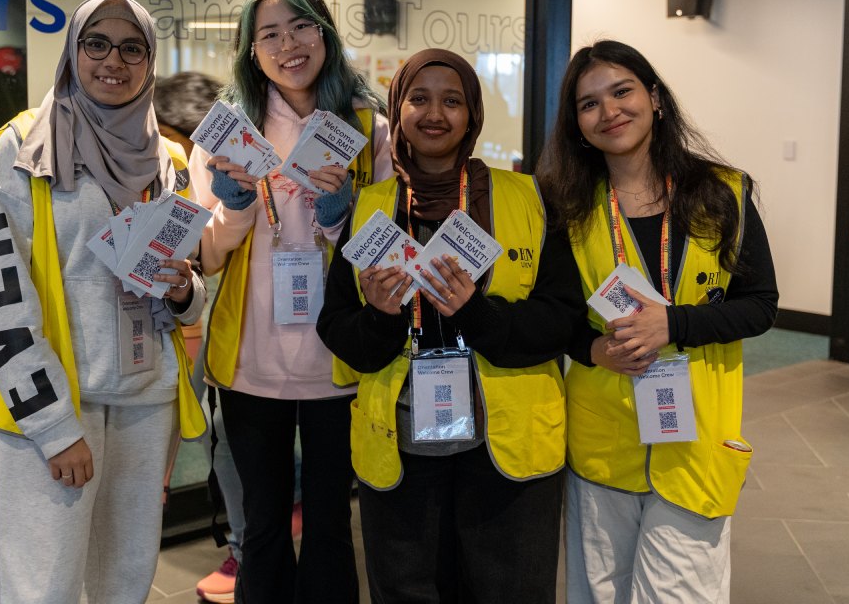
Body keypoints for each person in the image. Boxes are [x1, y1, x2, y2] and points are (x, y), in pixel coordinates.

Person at [318, 48, 580, 603]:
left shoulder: (528, 197)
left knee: (509, 591)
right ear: (399, 110)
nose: (435, 113)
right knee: (408, 591)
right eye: (419, 98)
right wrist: (380, 317)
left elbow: (562, 316)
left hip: (508, 448)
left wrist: (478, 314)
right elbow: (338, 329)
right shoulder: (370, 207)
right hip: (401, 444)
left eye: (452, 100)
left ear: (473, 114)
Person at [0, 0, 208, 604]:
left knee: (124, 581)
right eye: (96, 43)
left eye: (133, 47)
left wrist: (186, 290)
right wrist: (53, 427)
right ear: (72, 51)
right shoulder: (23, 147)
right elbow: (1, 297)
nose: (114, 60)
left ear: (150, 61)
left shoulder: (170, 160)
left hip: (146, 402)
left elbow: (184, 286)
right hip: (58, 404)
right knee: (42, 585)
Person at [536, 40, 778, 604]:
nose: (609, 111)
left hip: (694, 443)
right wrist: (594, 351)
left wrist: (675, 325)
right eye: (588, 103)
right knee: (598, 595)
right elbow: (559, 317)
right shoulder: (565, 207)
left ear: (655, 98)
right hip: (601, 445)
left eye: (622, 91)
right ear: (576, 124)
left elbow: (761, 303)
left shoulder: (723, 192)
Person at [188, 0, 391, 604]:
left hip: (338, 359)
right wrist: (234, 207)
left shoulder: (368, 128)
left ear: (324, 33)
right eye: (269, 33)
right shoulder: (227, 131)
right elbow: (208, 258)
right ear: (251, 50)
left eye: (300, 26)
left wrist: (341, 214)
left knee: (331, 523)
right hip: (252, 359)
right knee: (263, 526)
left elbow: (382, 251)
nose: (288, 44)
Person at [153, 71, 246, 602]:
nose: (173, 152)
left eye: (180, 140)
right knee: (216, 427)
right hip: (207, 319)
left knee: (222, 429)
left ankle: (245, 545)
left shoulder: (222, 170)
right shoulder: (162, 171)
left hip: (265, 323)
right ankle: (243, 541)